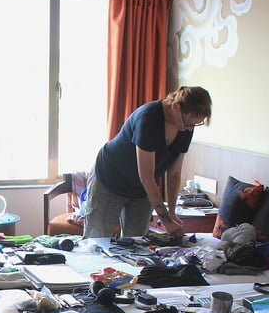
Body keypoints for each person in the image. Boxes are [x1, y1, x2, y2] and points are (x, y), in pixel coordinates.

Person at [82, 86, 212, 239]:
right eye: (189, 123)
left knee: (137, 243)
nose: (190, 128)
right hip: (110, 180)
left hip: (142, 190)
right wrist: (166, 221)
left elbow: (174, 173)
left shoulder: (185, 127)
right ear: (176, 107)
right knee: (96, 240)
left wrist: (171, 212)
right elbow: (146, 177)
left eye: (195, 124)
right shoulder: (149, 117)